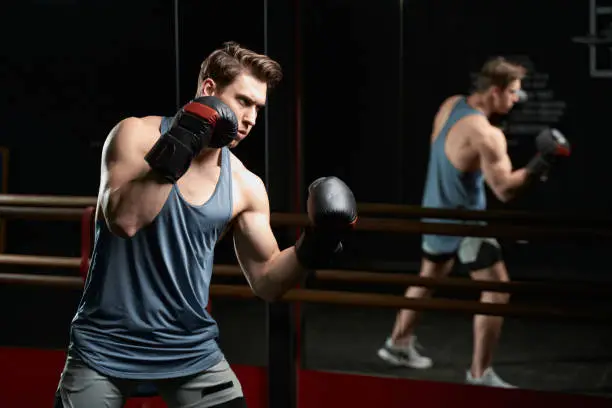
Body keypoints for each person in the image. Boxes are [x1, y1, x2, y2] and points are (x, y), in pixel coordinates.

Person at [54, 41, 358, 408]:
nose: (250, 119)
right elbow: (125, 221)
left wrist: (316, 244)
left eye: (258, 108)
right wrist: (184, 141)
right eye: (243, 101)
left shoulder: (246, 186)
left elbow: (266, 281)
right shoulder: (135, 135)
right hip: (104, 346)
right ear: (209, 90)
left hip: (190, 348)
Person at [376, 57, 570, 388]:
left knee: (429, 275)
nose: (515, 100)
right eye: (511, 93)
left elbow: (447, 156)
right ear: (494, 91)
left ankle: (397, 343)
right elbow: (506, 190)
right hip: (465, 224)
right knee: (497, 291)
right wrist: (541, 162)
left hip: (435, 212)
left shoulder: (451, 105)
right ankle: (480, 374)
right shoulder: (487, 135)